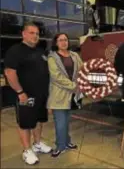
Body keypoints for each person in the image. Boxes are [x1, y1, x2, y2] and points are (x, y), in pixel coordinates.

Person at [4, 22, 52, 165]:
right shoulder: (15, 51)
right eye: (31, 33)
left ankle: (37, 144)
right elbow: (9, 73)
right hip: (25, 95)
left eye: (37, 34)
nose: (35, 36)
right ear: (24, 34)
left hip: (41, 94)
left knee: (38, 120)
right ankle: (26, 150)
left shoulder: (40, 52)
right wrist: (20, 92)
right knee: (25, 123)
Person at [47, 33, 83, 157]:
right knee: (60, 123)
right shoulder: (52, 58)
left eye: (65, 40)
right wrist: (74, 86)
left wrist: (83, 81)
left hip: (72, 96)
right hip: (59, 95)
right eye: (60, 40)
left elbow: (82, 70)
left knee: (66, 121)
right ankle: (60, 146)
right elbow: (57, 77)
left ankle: (67, 142)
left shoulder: (75, 55)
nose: (64, 42)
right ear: (56, 43)